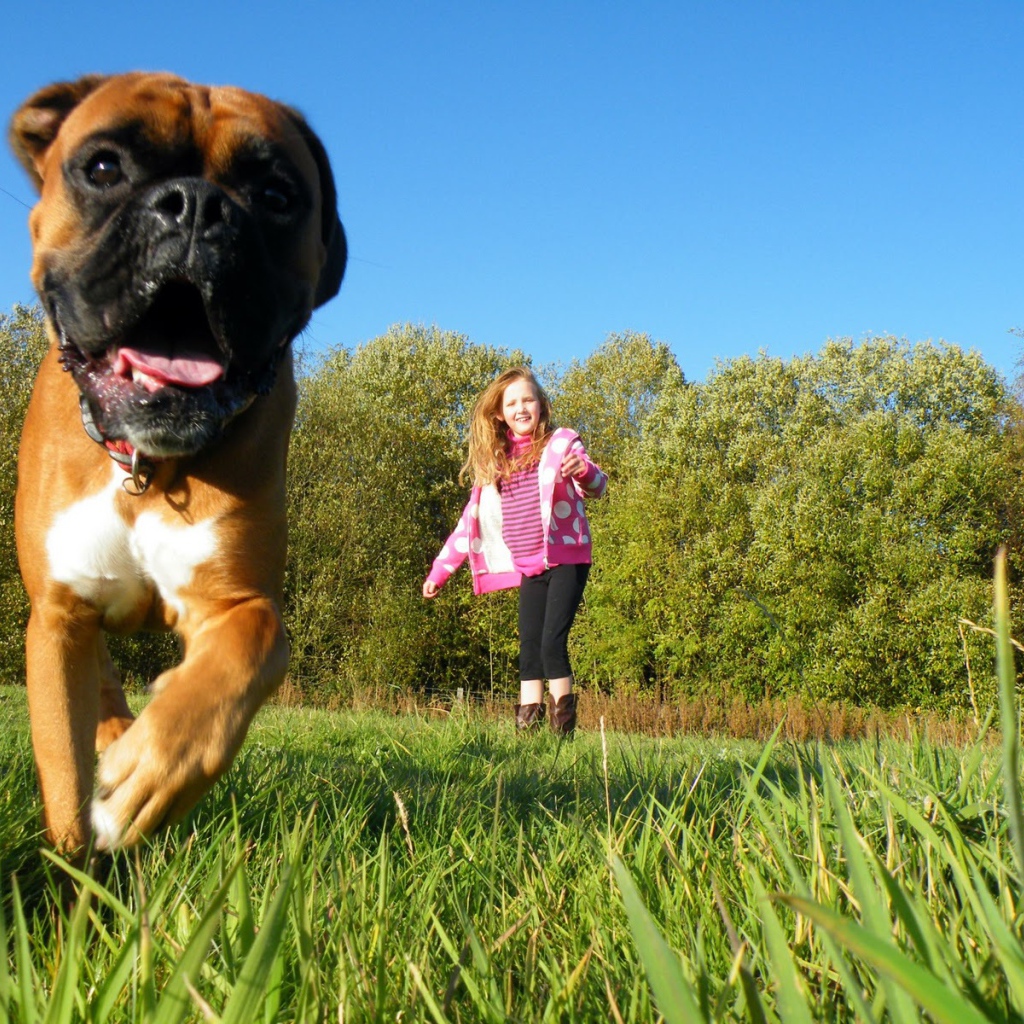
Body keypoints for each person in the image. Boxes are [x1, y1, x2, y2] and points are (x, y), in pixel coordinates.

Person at [422, 367, 607, 734]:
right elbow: (468, 524)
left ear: (541, 405)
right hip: (529, 567)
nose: (521, 408)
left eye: (528, 399)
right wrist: (439, 571)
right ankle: (527, 730)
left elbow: (597, 485)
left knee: (552, 643)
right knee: (528, 649)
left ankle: (561, 731)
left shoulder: (562, 444)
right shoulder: (496, 463)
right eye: (512, 403)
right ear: (499, 413)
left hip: (566, 557)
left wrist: (582, 470)